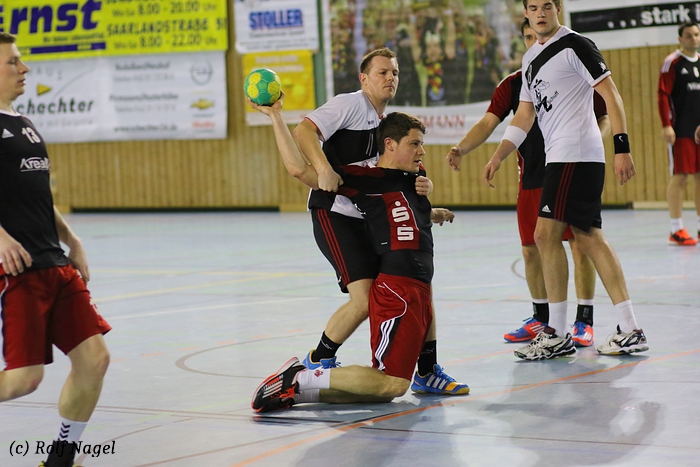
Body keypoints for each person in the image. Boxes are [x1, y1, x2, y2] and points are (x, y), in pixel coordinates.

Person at [250, 106, 468, 412]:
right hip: (398, 291)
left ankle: (296, 393)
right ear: (390, 144)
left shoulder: (415, 177)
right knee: (392, 383)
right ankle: (300, 377)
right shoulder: (367, 179)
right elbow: (298, 169)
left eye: (421, 144)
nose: (422, 151)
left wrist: (433, 212)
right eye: (414, 144)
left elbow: (402, 212)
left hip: (418, 287)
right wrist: (276, 118)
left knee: (388, 390)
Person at [292, 47, 467, 394]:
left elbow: (395, 173)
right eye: (382, 72)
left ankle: (426, 369)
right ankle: (316, 363)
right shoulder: (350, 104)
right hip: (335, 210)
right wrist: (323, 168)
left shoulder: (385, 121)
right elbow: (303, 132)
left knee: (419, 281)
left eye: (395, 73)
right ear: (364, 78)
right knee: (364, 299)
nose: (390, 78)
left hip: (364, 212)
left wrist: (425, 192)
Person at [482, 0, 648, 359]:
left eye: (547, 6)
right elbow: (524, 115)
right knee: (588, 237)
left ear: (558, 8)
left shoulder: (576, 45)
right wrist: (499, 154)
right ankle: (629, 327)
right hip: (560, 157)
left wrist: (622, 148)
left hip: (577, 152)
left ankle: (556, 333)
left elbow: (611, 94)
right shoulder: (530, 59)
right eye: (533, 7)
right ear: (526, 13)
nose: (540, 13)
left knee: (546, 235)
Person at [446, 19, 608, 347]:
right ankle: (541, 318)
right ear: (524, 41)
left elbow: (603, 115)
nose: (536, 40)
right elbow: (488, 122)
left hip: (571, 167)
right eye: (529, 36)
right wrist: (462, 147)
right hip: (532, 177)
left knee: (580, 245)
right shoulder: (515, 83)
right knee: (531, 249)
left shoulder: (575, 68)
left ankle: (584, 320)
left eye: (539, 34)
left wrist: (593, 143)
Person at [0, 33, 111, 467]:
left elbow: (38, 196)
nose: (24, 68)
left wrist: (72, 239)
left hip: (55, 263)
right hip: (19, 271)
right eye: (12, 62)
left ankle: (62, 458)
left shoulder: (23, 123)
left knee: (94, 359)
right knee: (23, 380)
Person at [657, 21, 700, 246]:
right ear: (680, 39)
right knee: (681, 176)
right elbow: (662, 95)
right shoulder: (672, 63)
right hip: (681, 130)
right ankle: (676, 229)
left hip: (698, 130)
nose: (694, 39)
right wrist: (667, 125)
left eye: (697, 34)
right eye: (689, 35)